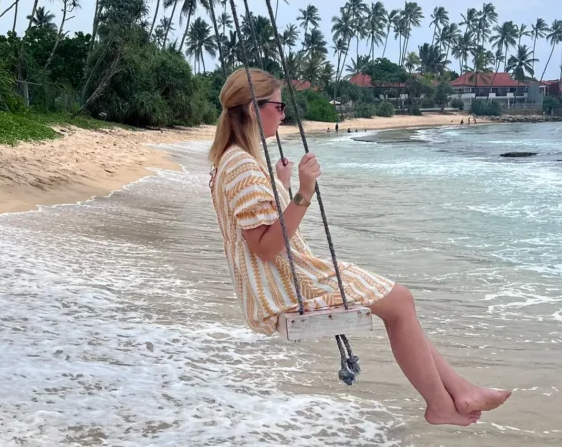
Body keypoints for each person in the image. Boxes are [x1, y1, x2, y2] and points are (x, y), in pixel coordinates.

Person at [208, 69, 511, 427]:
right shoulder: (242, 165)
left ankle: (458, 391)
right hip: (284, 286)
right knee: (400, 302)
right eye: (279, 105)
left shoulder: (233, 159)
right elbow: (265, 247)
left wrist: (282, 184)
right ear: (254, 109)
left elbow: (263, 227)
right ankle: (440, 404)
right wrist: (304, 191)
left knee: (401, 304)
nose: (284, 114)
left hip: (279, 279)